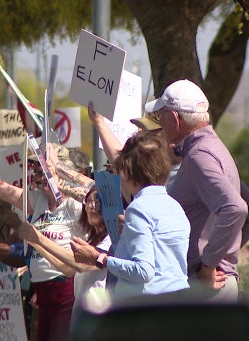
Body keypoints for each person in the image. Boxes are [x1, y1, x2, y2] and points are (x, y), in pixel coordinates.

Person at [0, 144, 82, 341]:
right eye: (37, 171)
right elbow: (0, 189)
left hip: (65, 289)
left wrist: (57, 172)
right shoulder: (38, 201)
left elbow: (91, 193)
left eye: (44, 170)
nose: (38, 175)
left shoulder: (75, 206)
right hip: (42, 289)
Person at [145, 78, 249, 302]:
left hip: (206, 285)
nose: (160, 124)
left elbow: (235, 208)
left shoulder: (199, 156)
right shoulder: (209, 148)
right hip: (209, 283)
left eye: (160, 116)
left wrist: (207, 266)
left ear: (175, 118)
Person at [70, 130, 190, 303]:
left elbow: (144, 271)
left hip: (147, 309)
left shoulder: (138, 209)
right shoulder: (174, 206)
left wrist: (98, 257)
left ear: (127, 170)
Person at [16, 186, 112, 314]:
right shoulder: (91, 241)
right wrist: (35, 243)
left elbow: (80, 265)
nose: (92, 206)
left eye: (98, 201)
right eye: (89, 200)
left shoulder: (110, 240)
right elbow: (67, 269)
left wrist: (40, 239)